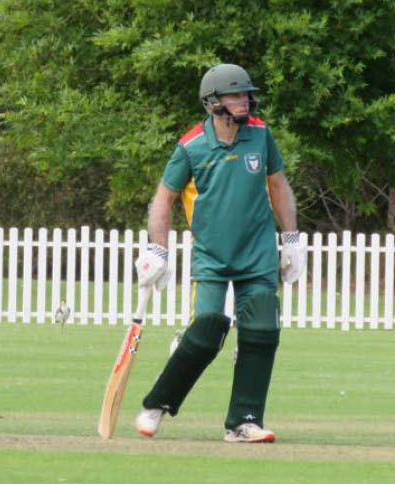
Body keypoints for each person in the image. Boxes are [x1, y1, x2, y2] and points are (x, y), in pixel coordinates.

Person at [132, 64, 305, 443]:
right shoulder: (191, 146)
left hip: (258, 254)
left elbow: (278, 185)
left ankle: (244, 422)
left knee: (262, 331)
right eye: (235, 95)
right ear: (213, 102)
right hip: (211, 257)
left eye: (246, 94)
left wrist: (292, 239)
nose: (244, 100)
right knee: (207, 333)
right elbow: (164, 198)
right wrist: (158, 249)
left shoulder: (260, 134)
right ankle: (156, 404)